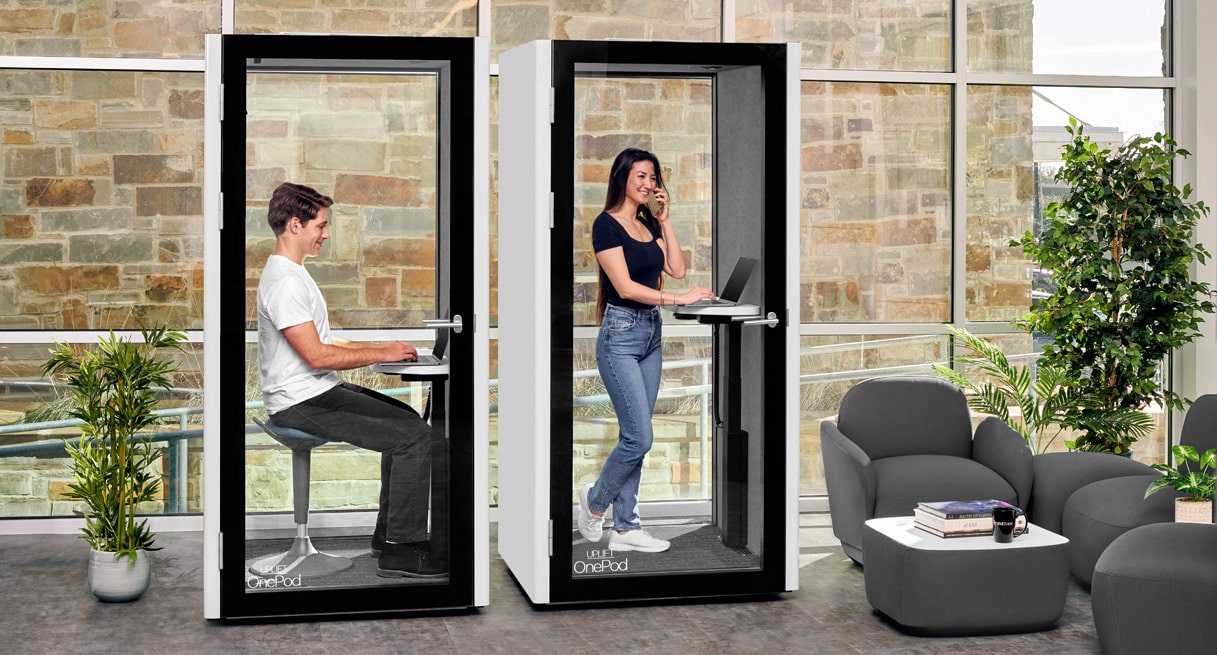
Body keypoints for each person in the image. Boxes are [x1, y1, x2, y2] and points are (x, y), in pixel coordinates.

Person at [256, 181, 449, 579]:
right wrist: (381, 354)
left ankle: (388, 537)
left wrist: (385, 347)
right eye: (321, 225)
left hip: (315, 390)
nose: (326, 234)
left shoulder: (293, 273)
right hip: (300, 402)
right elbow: (316, 355)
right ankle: (401, 550)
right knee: (415, 437)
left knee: (408, 422)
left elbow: (324, 341)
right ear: (295, 225)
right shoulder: (286, 282)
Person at [577, 148, 716, 553]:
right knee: (639, 438)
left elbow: (677, 269)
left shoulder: (646, 222)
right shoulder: (606, 225)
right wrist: (678, 300)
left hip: (651, 334)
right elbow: (624, 288)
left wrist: (665, 220)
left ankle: (625, 530)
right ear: (621, 177)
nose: (648, 183)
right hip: (620, 337)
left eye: (653, 177)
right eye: (640, 175)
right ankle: (595, 502)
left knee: (633, 435)